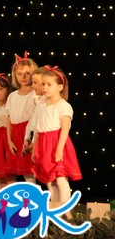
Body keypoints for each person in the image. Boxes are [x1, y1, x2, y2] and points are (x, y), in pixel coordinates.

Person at [31, 66, 82, 203]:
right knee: (49, 181)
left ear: (60, 87)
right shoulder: (42, 106)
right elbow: (38, 129)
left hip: (57, 143)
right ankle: (55, 209)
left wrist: (59, 149)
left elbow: (65, 129)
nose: (45, 87)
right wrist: (34, 149)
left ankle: (65, 209)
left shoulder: (63, 106)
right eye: (43, 84)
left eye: (49, 84)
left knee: (60, 178)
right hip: (43, 144)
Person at [5, 51, 38, 182]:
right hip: (14, 135)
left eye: (27, 73)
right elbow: (9, 119)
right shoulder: (12, 96)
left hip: (28, 134)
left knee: (29, 173)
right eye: (19, 74)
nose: (23, 77)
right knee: (10, 173)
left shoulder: (35, 94)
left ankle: (33, 194)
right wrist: (9, 141)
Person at [22, 66, 48, 158]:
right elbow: (33, 120)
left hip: (44, 141)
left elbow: (39, 126)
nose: (32, 86)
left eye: (35, 83)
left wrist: (33, 143)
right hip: (36, 140)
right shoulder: (39, 101)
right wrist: (26, 139)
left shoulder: (47, 104)